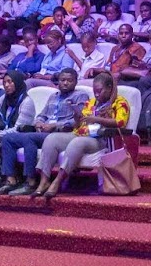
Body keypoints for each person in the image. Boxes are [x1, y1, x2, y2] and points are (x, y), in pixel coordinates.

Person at [35, 71, 129, 199]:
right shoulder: (91, 102)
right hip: (79, 133)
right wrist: (77, 117)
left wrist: (97, 119)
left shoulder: (119, 102)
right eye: (95, 91)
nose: (96, 94)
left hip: (99, 139)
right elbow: (79, 124)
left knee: (77, 142)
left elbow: (121, 122)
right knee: (52, 139)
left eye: (99, 91)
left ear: (109, 88)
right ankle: (44, 181)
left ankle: (58, 180)